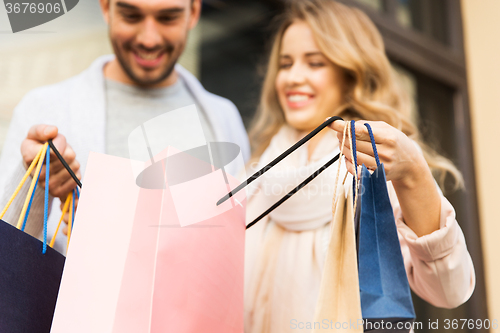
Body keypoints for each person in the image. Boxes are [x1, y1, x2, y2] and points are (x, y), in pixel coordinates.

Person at [243, 1, 475, 332]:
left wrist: (413, 177)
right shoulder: (258, 173)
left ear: (350, 73)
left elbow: (449, 290)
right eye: (285, 63)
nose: (293, 77)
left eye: (314, 62)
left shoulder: (375, 169)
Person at [0, 0, 249, 253]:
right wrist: (34, 182)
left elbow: (243, 246)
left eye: (167, 18)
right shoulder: (43, 109)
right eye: (131, 16)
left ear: (194, 12)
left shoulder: (224, 118)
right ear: (106, 8)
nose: (149, 39)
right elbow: (6, 256)